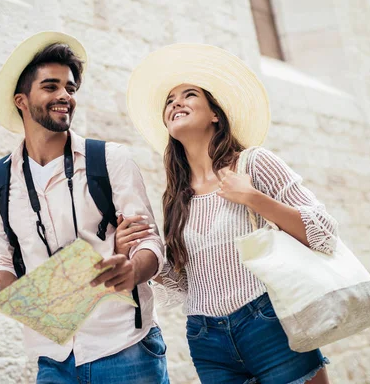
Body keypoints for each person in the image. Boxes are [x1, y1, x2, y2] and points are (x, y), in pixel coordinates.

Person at [118, 43, 337, 384]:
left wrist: (253, 198)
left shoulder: (254, 163)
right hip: (207, 339)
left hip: (268, 322)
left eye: (189, 95)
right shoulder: (176, 197)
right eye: (169, 100)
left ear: (215, 114)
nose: (176, 102)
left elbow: (323, 232)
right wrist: (138, 249)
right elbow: (183, 285)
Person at [0, 32, 169, 384]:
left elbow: (150, 244)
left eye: (70, 89)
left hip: (125, 347)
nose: (64, 97)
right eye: (51, 86)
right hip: (52, 359)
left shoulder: (111, 159)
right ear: (21, 101)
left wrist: (133, 271)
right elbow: (7, 264)